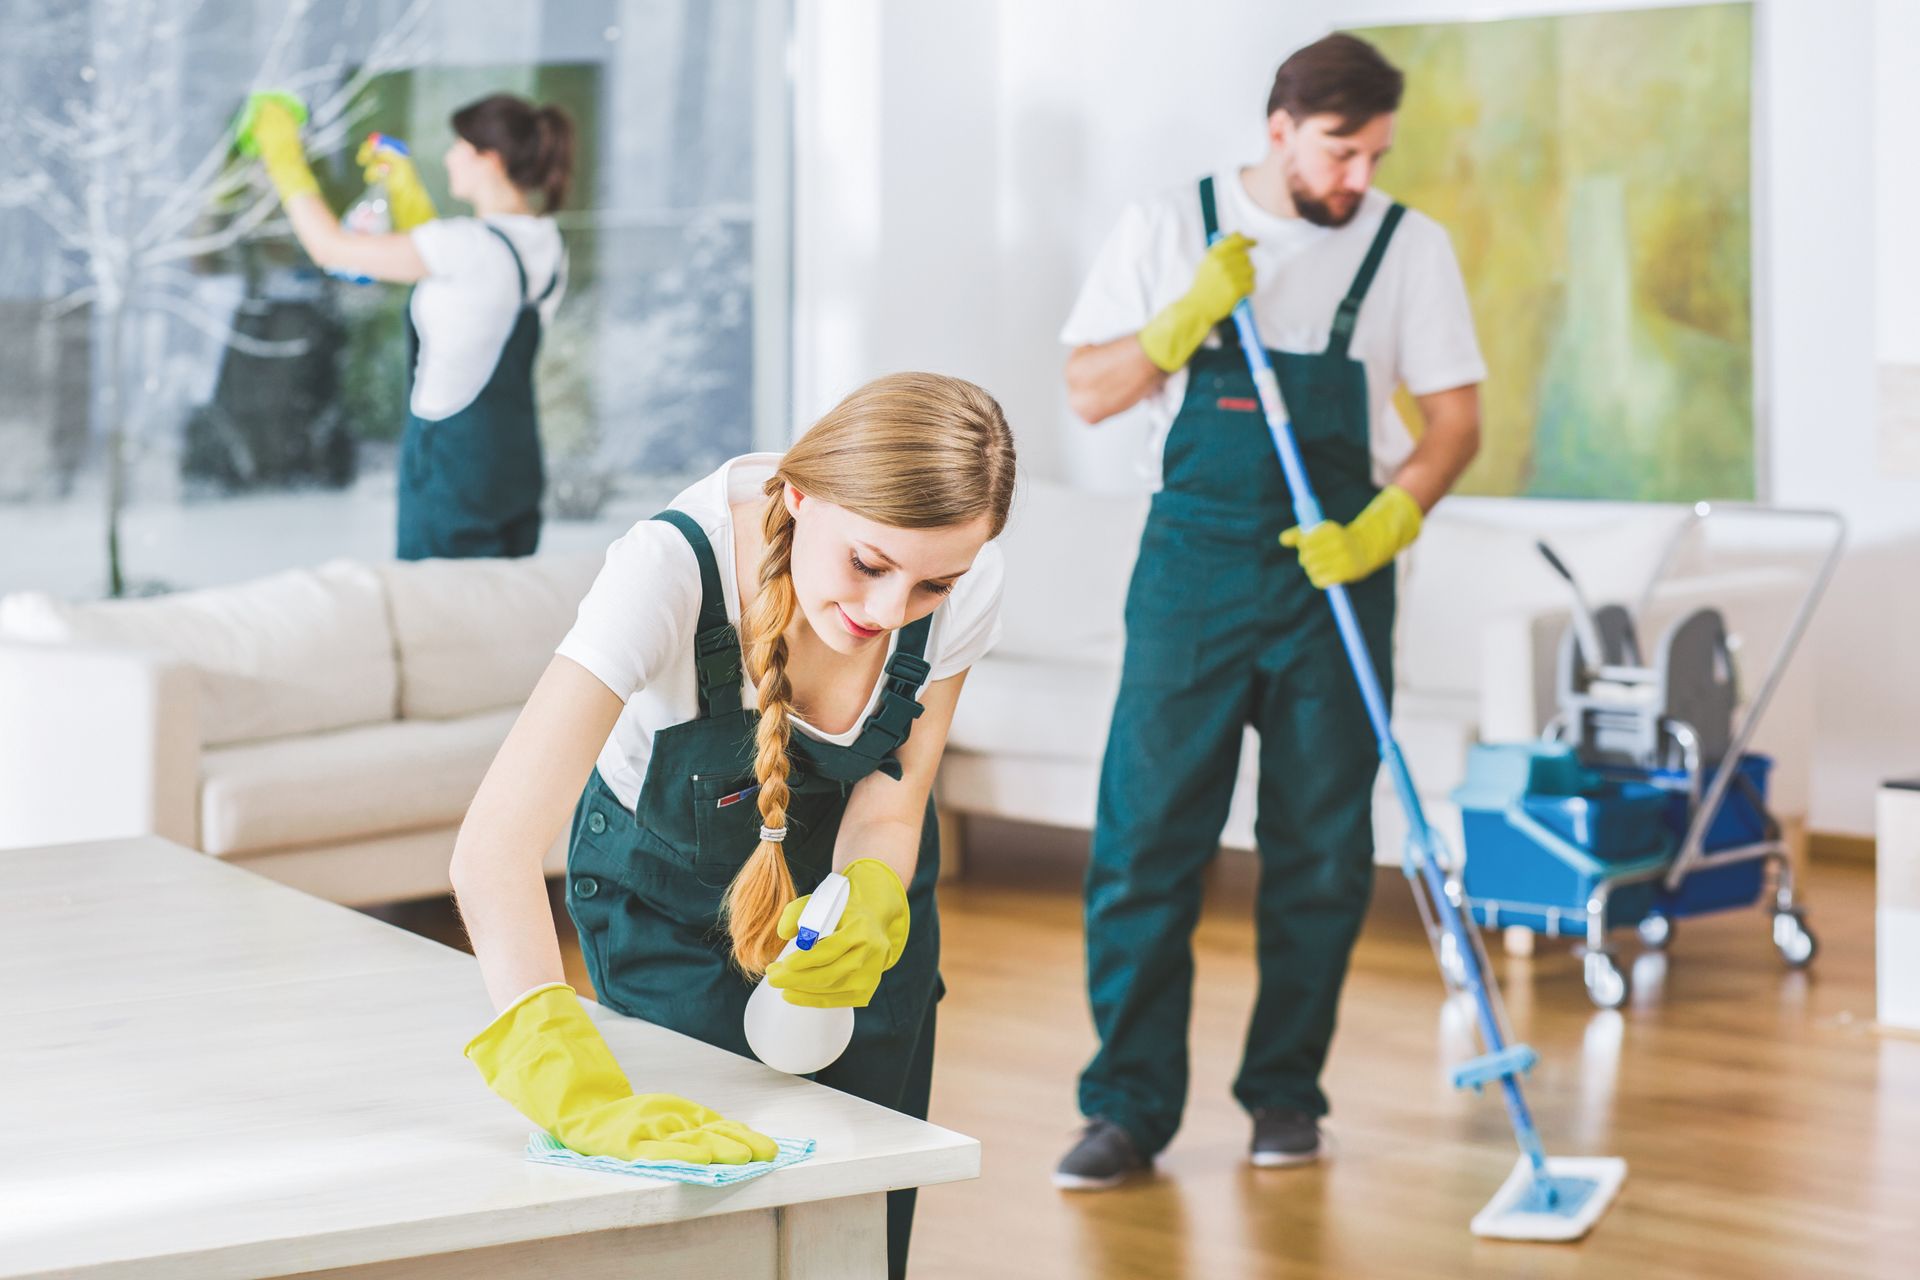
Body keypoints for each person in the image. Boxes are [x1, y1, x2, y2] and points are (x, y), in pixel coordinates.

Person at [449, 373, 1015, 1279]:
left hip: (852, 912)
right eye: (868, 564)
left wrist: (873, 885)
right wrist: (568, 1086)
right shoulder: (670, 569)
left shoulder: (961, 581)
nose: (885, 614)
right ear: (799, 493)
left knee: (859, 1209)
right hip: (669, 896)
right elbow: (492, 852)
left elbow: (894, 793)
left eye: (930, 585)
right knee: (715, 1224)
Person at [1053, 32, 1486, 1189]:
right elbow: (1089, 391)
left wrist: (1386, 524)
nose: (1357, 178)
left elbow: (1454, 422)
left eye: (1375, 155)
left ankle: (1285, 1095)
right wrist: (1180, 319)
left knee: (1324, 851)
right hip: (1191, 570)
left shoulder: (1407, 247)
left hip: (1336, 577)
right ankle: (1128, 1109)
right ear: (1281, 129)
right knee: (1146, 842)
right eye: (1341, 151)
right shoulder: (1169, 225)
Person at [239, 91, 571, 559]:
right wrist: (402, 189)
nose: (450, 156)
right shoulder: (545, 241)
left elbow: (329, 248)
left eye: (460, 146)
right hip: (513, 460)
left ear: (489, 159)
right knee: (499, 606)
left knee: (437, 611)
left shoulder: (465, 246)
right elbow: (469, 290)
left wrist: (283, 154)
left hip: (452, 464)